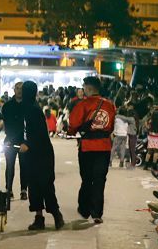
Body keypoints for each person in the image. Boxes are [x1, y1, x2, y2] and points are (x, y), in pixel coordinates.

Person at [66, 75, 116, 223]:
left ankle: (84, 208)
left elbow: (73, 124)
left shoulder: (83, 104)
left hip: (87, 147)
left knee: (87, 179)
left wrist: (71, 132)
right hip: (104, 147)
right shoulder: (109, 105)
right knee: (100, 180)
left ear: (88, 88)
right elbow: (111, 125)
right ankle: (97, 213)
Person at [19, 81, 64, 230]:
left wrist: (28, 144)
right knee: (34, 186)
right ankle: (39, 217)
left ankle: (57, 214)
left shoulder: (34, 110)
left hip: (42, 154)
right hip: (32, 154)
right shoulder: (26, 108)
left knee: (45, 185)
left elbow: (38, 134)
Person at [1, 81, 27, 200]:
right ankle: (9, 189)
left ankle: (23, 190)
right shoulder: (7, 106)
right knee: (9, 165)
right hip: (10, 139)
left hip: (24, 141)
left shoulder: (29, 106)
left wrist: (27, 142)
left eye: (21, 88)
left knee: (24, 166)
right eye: (17, 88)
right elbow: (5, 124)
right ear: (14, 89)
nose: (19, 90)